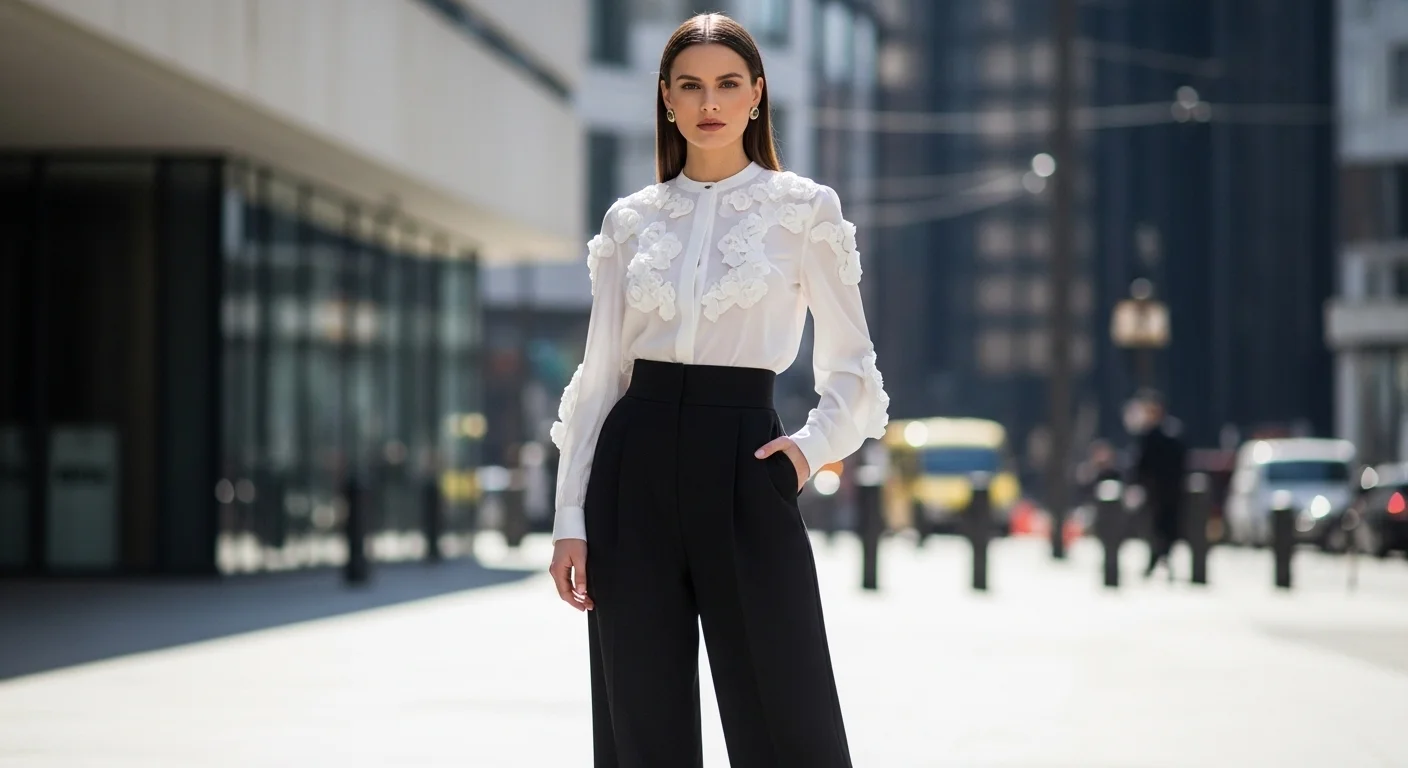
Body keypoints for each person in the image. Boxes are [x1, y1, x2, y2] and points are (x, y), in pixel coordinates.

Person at [546, 13, 886, 767]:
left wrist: (803, 456)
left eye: (729, 84)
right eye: (691, 85)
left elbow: (855, 375)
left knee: (786, 713)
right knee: (641, 720)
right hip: (632, 468)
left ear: (758, 95)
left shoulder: (804, 210)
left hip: (746, 463)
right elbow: (600, 375)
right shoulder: (630, 221)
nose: (711, 101)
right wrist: (571, 514)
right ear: (666, 98)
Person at [1133, 390, 1187, 581]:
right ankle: (1158, 560)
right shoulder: (1149, 435)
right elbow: (1140, 464)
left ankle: (1160, 560)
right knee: (1156, 529)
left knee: (1166, 528)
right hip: (1155, 491)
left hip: (1167, 491)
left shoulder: (1169, 434)